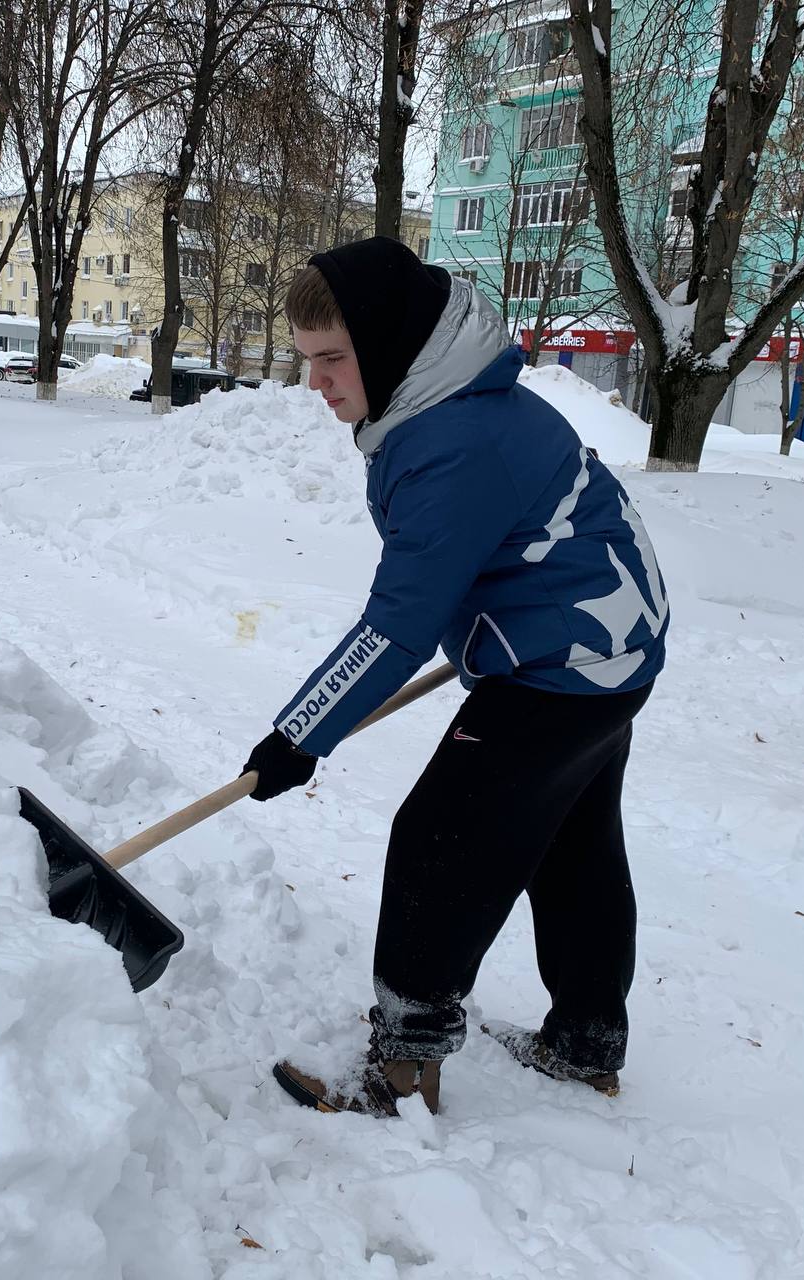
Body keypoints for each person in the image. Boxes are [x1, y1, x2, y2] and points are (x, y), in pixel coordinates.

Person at [240, 237, 669, 1118]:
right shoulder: (457, 399)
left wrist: (297, 737)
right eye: (306, 361)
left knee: (439, 840)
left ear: (390, 346)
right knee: (572, 842)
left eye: (331, 360)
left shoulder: (450, 441)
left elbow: (395, 627)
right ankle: (587, 1038)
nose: (316, 383)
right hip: (613, 652)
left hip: (564, 671)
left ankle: (399, 1074)